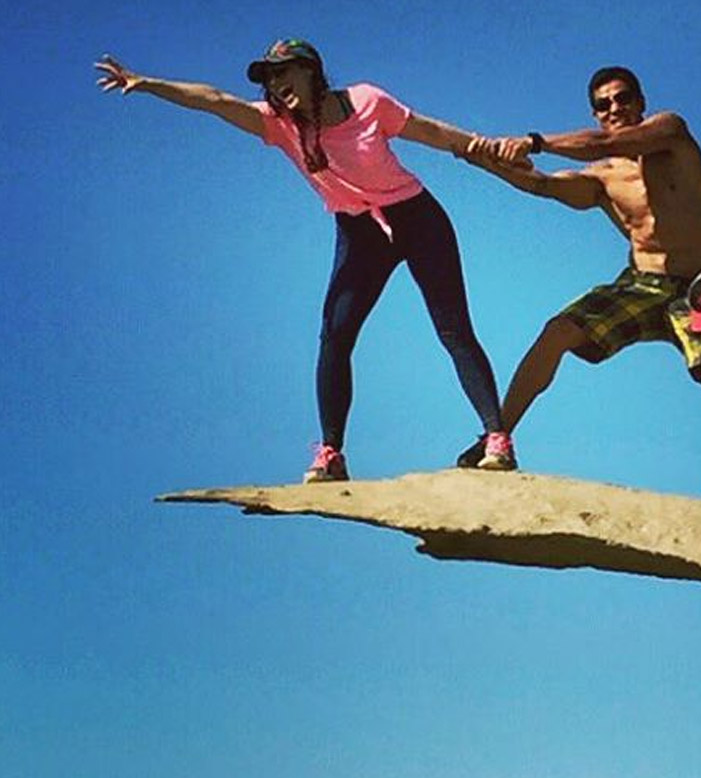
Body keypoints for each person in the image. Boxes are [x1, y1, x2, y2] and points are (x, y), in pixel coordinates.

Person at [95, 39, 517, 482]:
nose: (277, 86)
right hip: (359, 233)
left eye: (284, 73)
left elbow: (428, 132)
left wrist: (480, 146)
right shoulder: (277, 125)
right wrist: (147, 84)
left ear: (312, 70)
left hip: (418, 219)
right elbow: (216, 101)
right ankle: (332, 454)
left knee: (453, 330)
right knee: (335, 334)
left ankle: (497, 439)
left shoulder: (366, 101)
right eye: (270, 79)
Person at [459, 66, 701, 504]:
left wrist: (535, 142)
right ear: (595, 113)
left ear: (640, 103)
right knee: (557, 332)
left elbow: (610, 142)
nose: (614, 109)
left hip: (697, 288)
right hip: (639, 283)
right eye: (603, 104)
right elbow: (541, 183)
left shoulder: (672, 134)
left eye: (622, 99)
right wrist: (486, 161)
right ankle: (496, 440)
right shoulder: (604, 178)